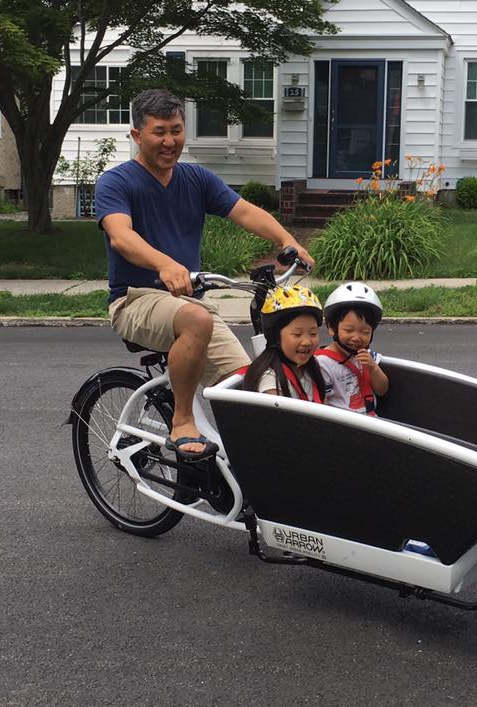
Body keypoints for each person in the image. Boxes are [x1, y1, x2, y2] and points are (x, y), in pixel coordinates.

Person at [95, 88, 314, 461]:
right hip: (135, 299)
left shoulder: (195, 179)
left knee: (250, 386)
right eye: (159, 132)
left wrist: (286, 240)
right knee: (197, 317)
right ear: (136, 135)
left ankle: (250, 472)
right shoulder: (117, 182)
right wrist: (164, 264)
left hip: (187, 301)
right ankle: (182, 422)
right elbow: (121, 235)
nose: (170, 141)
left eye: (176, 130)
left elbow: (245, 212)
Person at [315, 282, 389, 415]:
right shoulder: (323, 363)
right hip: (345, 424)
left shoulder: (368, 356)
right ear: (332, 329)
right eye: (349, 330)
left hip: (372, 420)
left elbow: (382, 390)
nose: (356, 338)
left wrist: (373, 367)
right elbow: (321, 404)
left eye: (365, 332)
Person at [241, 285, 325, 401]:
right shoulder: (271, 380)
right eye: (297, 334)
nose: (307, 342)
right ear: (275, 336)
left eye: (313, 333)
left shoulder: (311, 368)